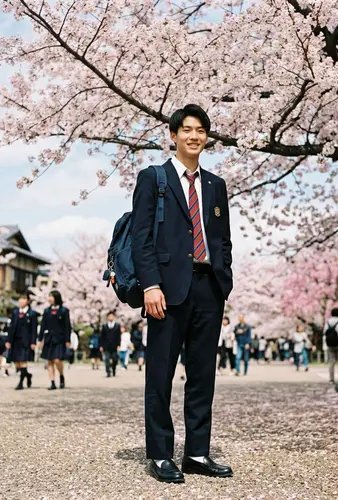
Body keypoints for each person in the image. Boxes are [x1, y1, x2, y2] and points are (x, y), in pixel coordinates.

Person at [131, 104, 233, 483]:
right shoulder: (153, 178)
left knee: (203, 375)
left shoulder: (215, 185)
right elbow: (141, 238)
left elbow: (223, 241)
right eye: (187, 129)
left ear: (207, 137)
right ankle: (160, 454)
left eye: (201, 130)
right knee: (160, 374)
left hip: (209, 288)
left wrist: (225, 282)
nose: (194, 136)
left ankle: (197, 453)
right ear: (173, 136)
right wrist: (151, 285)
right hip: (167, 291)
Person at [37, 290, 72, 390]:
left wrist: (67, 340)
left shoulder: (64, 311)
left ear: (56, 297)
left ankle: (61, 376)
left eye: (51, 296)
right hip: (48, 339)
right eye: (49, 296)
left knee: (57, 360)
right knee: (49, 361)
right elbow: (43, 326)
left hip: (59, 339)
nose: (49, 298)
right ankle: (52, 382)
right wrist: (40, 339)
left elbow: (67, 326)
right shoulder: (46, 311)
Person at [6, 291, 37, 390]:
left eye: (23, 298)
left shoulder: (32, 314)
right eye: (20, 298)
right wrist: (8, 340)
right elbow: (11, 327)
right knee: (16, 362)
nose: (21, 300)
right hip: (15, 341)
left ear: (28, 301)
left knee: (23, 361)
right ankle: (27, 375)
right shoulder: (15, 312)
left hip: (26, 341)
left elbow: (34, 329)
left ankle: (20, 383)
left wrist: (33, 342)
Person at [100, 311, 121, 378]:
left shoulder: (117, 326)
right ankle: (108, 372)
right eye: (109, 316)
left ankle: (114, 369)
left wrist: (118, 345)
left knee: (115, 359)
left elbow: (118, 336)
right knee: (107, 359)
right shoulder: (104, 326)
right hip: (106, 346)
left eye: (112, 316)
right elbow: (102, 337)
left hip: (114, 346)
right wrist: (101, 346)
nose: (111, 317)